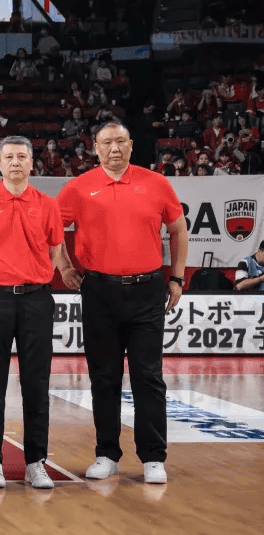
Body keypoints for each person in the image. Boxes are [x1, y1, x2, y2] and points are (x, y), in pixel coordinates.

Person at [57, 122, 188, 485]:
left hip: (147, 290)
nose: (114, 148)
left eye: (120, 141)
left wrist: (177, 277)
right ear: (95, 148)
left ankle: (153, 457)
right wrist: (64, 267)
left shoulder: (156, 183)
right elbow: (53, 230)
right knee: (103, 377)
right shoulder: (79, 187)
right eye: (106, 143)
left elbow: (178, 229)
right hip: (99, 291)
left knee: (149, 376)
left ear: (131, 145)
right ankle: (106, 454)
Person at [0, 136, 74, 491]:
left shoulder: (47, 205)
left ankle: (36, 462)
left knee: (37, 382)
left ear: (32, 162)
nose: (16, 162)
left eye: (22, 156)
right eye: (9, 157)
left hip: (36, 299)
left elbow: (55, 251)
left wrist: (31, 277)